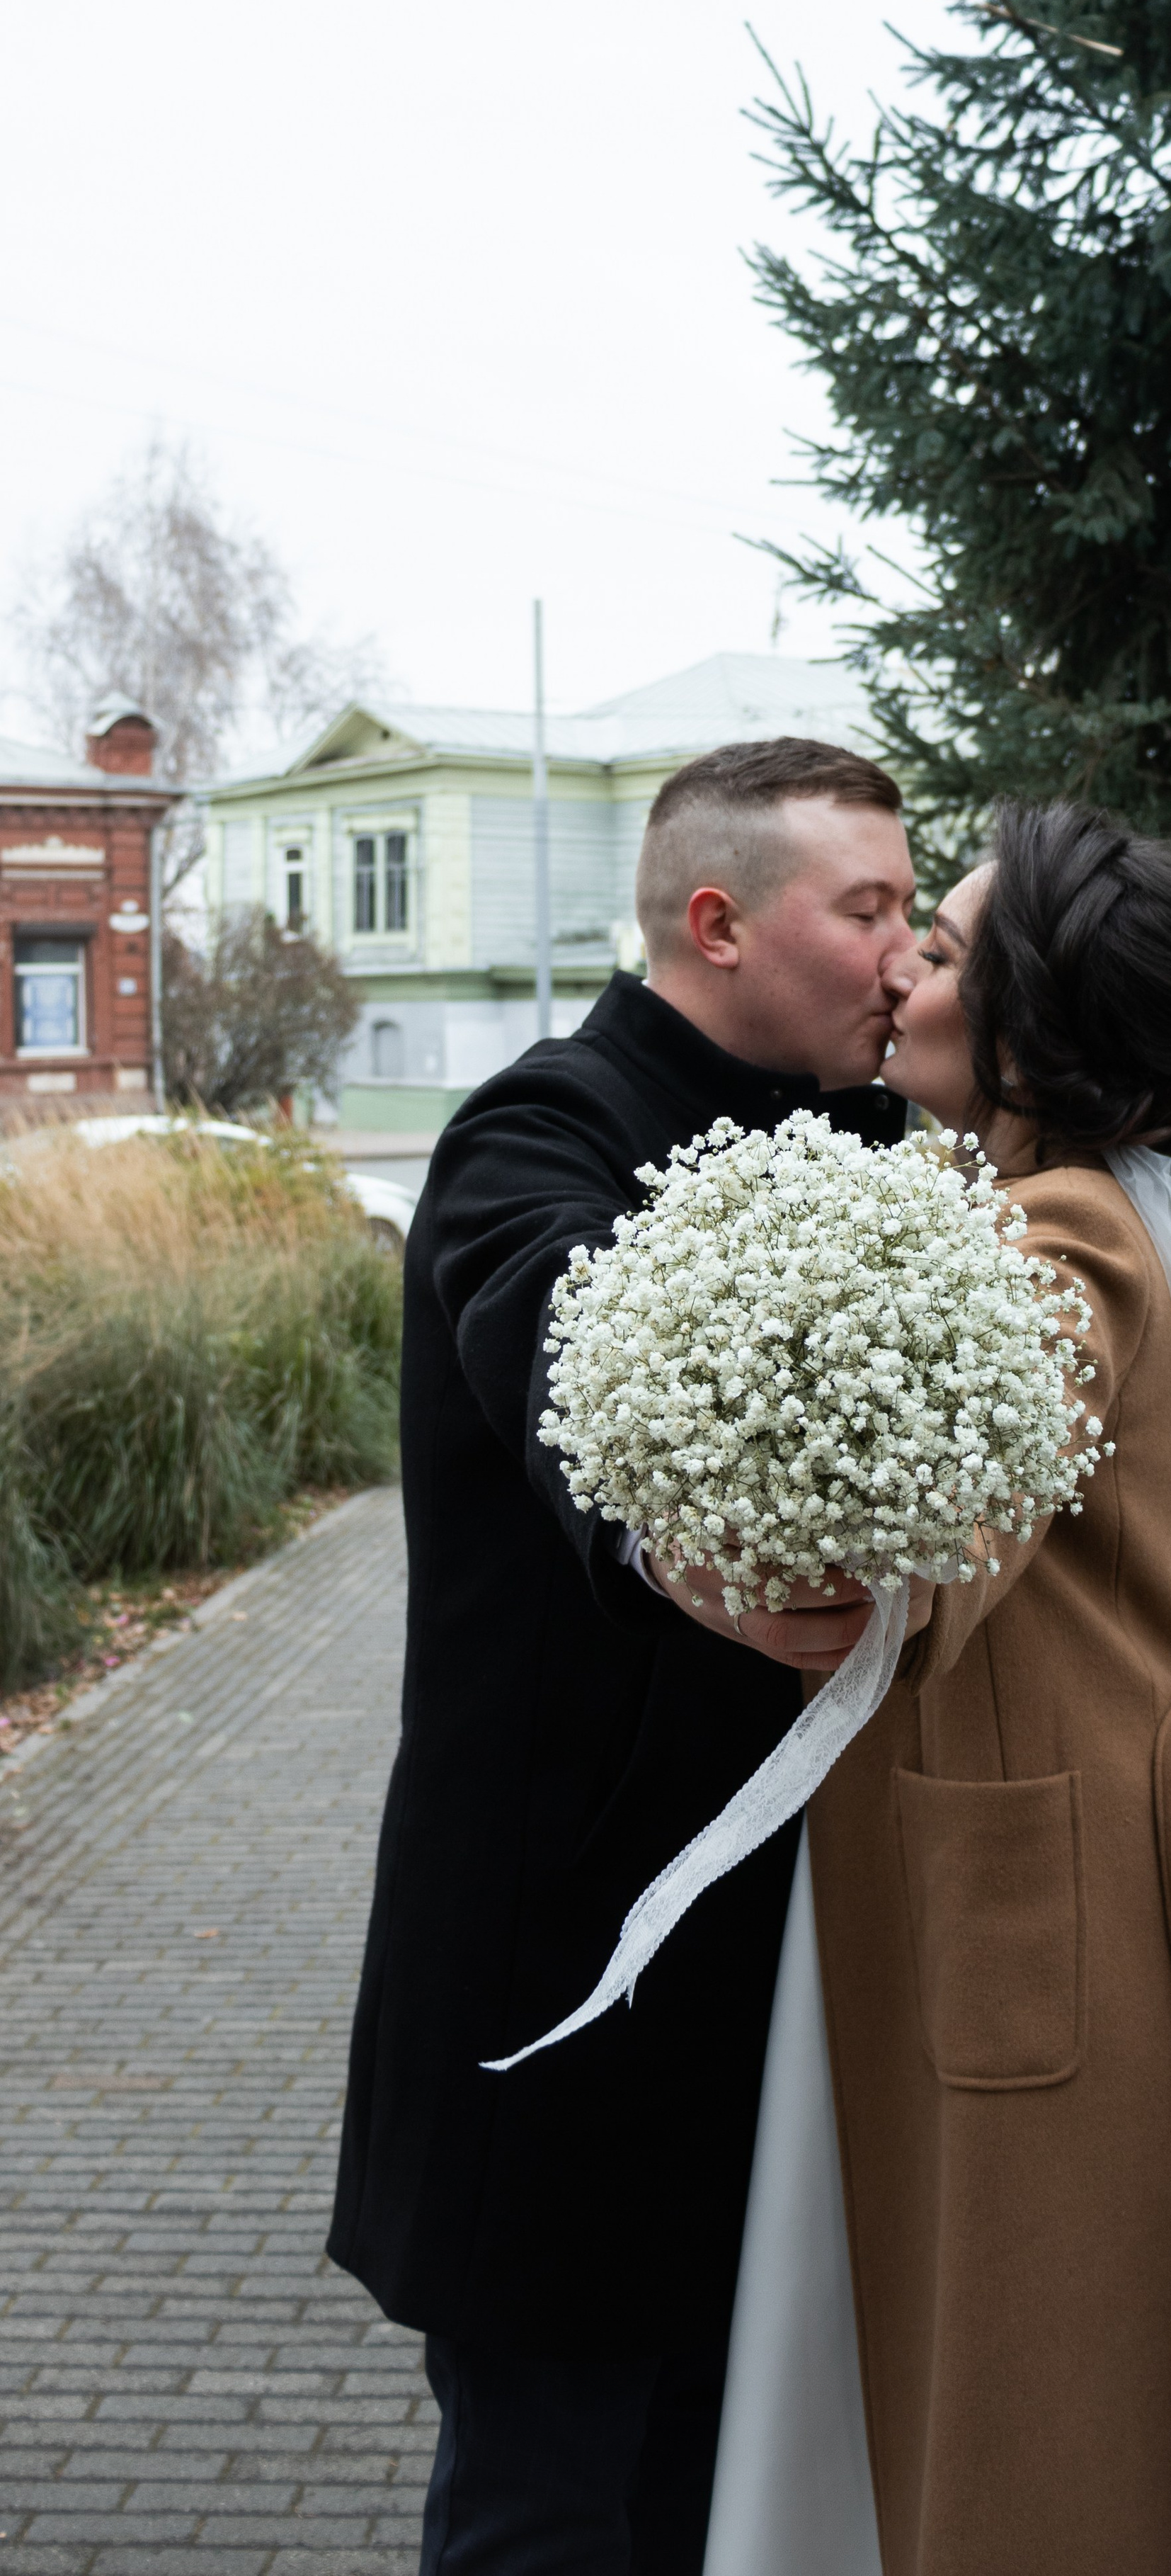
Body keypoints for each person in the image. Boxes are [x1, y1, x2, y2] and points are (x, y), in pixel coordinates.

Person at [782, 799, 1171, 2576]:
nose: (910, 964)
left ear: (1033, 1023)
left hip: (1086, 1928)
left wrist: (730, 1501)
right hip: (1086, 1890)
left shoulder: (1063, 1245)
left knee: (1057, 2443)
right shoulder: (1041, 1208)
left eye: (949, 944)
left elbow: (916, 1527)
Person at [326, 738, 918, 2575]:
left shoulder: (880, 1139)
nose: (903, 958)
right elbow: (550, 1333)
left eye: (917, 915)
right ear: (724, 922)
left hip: (785, 2010)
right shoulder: (538, 1127)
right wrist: (688, 1551)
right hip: (560, 2005)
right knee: (543, 2519)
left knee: (714, 2512)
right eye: (872, 909)